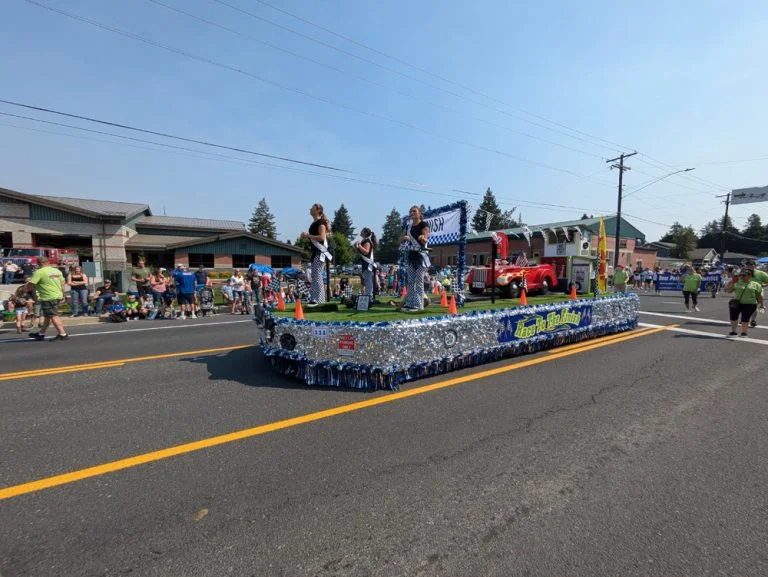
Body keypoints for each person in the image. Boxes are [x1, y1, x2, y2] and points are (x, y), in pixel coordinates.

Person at [23, 256, 68, 341]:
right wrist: (63, 295)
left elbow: (31, 284)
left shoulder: (39, 272)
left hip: (48, 297)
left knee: (53, 315)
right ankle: (41, 333)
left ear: (39, 264)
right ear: (48, 262)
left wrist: (21, 292)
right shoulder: (57, 271)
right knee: (48, 316)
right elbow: (62, 283)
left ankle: (62, 334)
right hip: (57, 295)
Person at [300, 203, 332, 306]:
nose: (310, 209)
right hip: (315, 252)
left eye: (312, 208)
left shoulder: (321, 223)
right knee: (314, 276)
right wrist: (306, 236)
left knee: (317, 276)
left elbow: (322, 237)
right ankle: (314, 298)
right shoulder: (314, 223)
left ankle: (320, 300)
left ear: (318, 210)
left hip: (320, 252)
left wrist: (308, 235)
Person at [401, 205, 430, 312]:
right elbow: (399, 240)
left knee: (419, 282)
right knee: (410, 282)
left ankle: (418, 305)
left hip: (421, 257)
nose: (412, 213)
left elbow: (425, 239)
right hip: (411, 256)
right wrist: (404, 238)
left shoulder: (424, 225)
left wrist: (422, 238)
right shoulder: (408, 226)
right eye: (410, 211)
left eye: (414, 211)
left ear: (419, 213)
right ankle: (409, 303)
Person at [725, 269, 764, 337]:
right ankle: (734, 332)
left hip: (750, 304)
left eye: (744, 275)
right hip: (736, 303)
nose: (741, 276)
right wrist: (732, 282)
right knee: (733, 317)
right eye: (740, 275)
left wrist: (762, 304)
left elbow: (759, 295)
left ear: (749, 276)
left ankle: (744, 332)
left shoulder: (755, 284)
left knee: (745, 318)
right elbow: (729, 291)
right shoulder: (737, 283)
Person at [355, 227, 378, 297]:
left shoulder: (367, 242)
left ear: (365, 233)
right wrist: (356, 246)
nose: (360, 232)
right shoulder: (363, 241)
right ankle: (368, 294)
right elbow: (360, 252)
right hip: (364, 262)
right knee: (366, 280)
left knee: (368, 280)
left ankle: (369, 295)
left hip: (368, 263)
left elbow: (366, 252)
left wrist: (359, 246)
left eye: (362, 231)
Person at [745, 261, 768, 328]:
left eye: (750, 265)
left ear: (754, 266)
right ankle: (745, 319)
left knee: (754, 307)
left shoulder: (761, 273)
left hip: (757, 293)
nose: (748, 267)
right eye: (747, 265)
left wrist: (764, 285)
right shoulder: (743, 272)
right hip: (745, 292)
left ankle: (753, 320)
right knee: (746, 307)